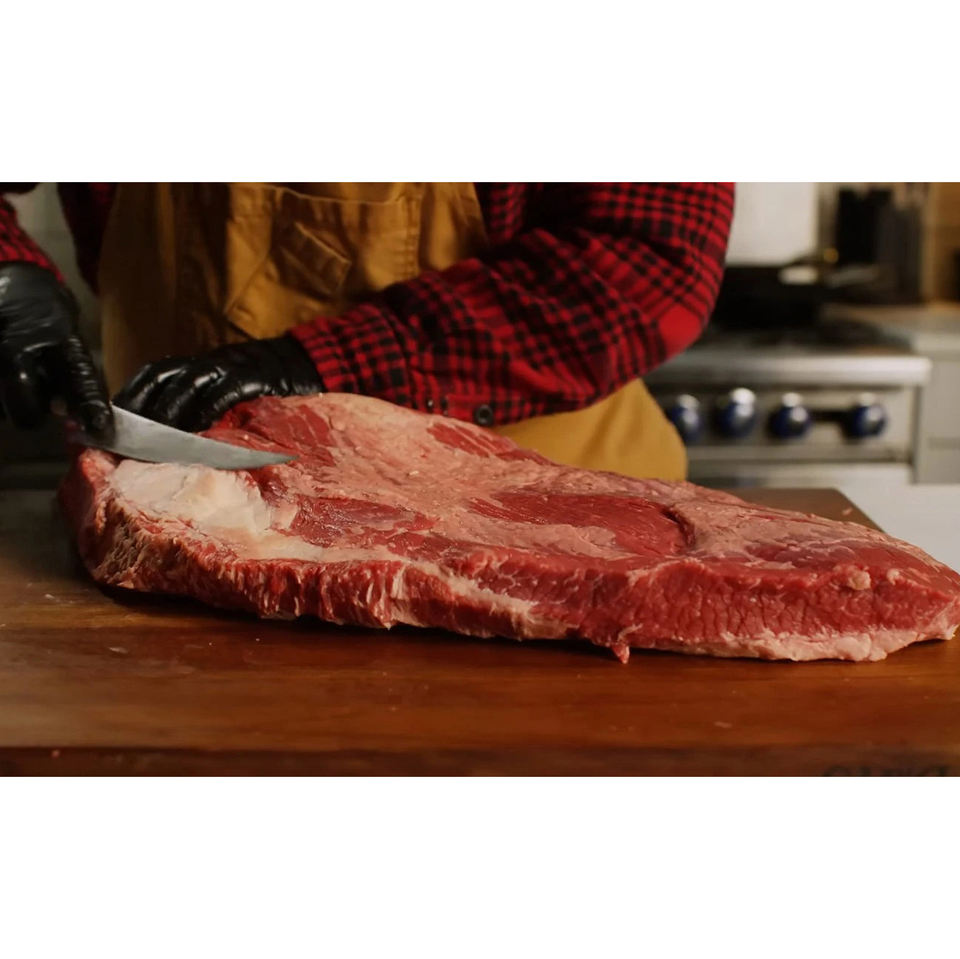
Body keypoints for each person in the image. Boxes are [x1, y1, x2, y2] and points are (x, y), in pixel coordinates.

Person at [0, 183, 733, 479]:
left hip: (536, 531)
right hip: (174, 508)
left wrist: (314, 365)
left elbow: (646, 264)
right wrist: (9, 273)